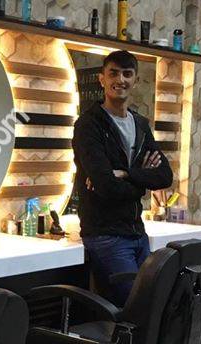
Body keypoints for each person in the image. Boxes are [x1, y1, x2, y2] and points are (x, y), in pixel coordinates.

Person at [72, 50, 173, 306]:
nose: (120, 80)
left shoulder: (140, 125)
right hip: (105, 234)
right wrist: (142, 183)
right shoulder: (89, 125)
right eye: (113, 73)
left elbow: (164, 176)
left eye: (127, 74)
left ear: (136, 80)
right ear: (102, 79)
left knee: (153, 305)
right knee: (137, 307)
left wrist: (127, 173)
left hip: (138, 232)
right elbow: (106, 185)